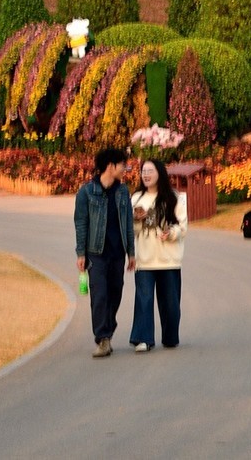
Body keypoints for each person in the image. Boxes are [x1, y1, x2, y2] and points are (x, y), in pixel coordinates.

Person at [74, 147, 135, 358]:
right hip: (96, 253)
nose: (125, 169)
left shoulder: (123, 192)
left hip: (117, 253)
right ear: (110, 166)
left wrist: (131, 252)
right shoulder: (86, 192)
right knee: (99, 296)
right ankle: (102, 338)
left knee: (115, 294)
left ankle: (108, 329)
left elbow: (128, 223)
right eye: (122, 165)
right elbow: (81, 224)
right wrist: (80, 253)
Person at [129, 159, 187, 353]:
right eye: (143, 171)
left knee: (171, 304)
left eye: (150, 171)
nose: (146, 175)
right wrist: (136, 220)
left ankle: (170, 337)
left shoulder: (174, 198)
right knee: (143, 300)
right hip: (145, 260)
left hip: (169, 260)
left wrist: (170, 233)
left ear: (160, 173)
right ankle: (143, 339)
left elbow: (182, 227)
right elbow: (132, 230)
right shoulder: (136, 198)